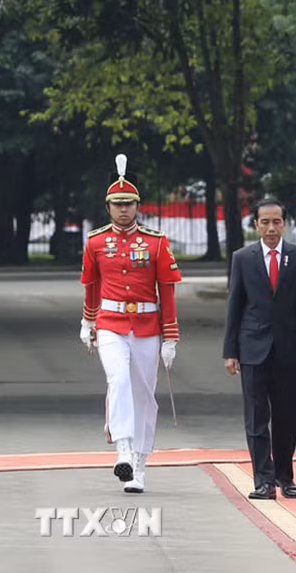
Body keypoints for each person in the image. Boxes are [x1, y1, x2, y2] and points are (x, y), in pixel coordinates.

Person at [79, 154, 182, 494]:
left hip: (147, 326)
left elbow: (166, 291)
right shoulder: (95, 242)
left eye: (129, 203)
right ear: (108, 206)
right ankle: (122, 448)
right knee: (118, 379)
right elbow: (91, 284)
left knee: (144, 395)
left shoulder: (155, 242)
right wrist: (87, 321)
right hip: (110, 322)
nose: (123, 210)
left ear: (138, 205)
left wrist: (171, 337)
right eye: (117, 204)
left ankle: (140, 462)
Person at [222, 198, 296, 500]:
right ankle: (262, 479)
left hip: (289, 349)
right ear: (255, 225)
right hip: (253, 348)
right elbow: (235, 305)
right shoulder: (242, 257)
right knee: (256, 416)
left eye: (276, 221)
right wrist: (231, 350)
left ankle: (285, 476)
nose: (271, 227)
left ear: (284, 223)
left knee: (287, 415)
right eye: (264, 222)